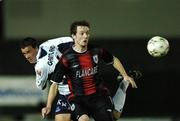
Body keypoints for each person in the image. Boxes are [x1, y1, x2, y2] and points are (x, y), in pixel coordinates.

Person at [48, 20, 137, 121]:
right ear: (73, 36)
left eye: (87, 33)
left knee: (114, 116)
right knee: (83, 119)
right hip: (78, 99)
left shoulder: (96, 50)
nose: (85, 36)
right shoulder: (66, 58)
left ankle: (123, 84)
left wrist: (124, 75)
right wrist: (48, 106)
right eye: (82, 33)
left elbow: (113, 59)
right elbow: (54, 85)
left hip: (98, 96)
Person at [20, 37, 74, 121]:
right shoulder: (47, 44)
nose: (27, 56)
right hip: (64, 92)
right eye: (24, 53)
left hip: (75, 90)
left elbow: (41, 86)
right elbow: (70, 40)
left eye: (28, 52)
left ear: (35, 48)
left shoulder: (40, 66)